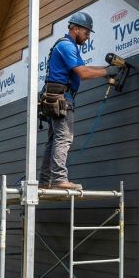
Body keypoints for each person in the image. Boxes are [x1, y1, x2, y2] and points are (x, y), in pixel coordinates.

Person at [39, 12, 118, 190]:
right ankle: (59, 179)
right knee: (64, 138)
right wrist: (107, 72)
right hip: (61, 98)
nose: (88, 36)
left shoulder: (68, 46)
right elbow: (83, 73)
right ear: (75, 29)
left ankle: (45, 181)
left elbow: (84, 68)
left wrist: (107, 68)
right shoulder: (67, 46)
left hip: (54, 97)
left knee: (54, 140)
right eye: (87, 32)